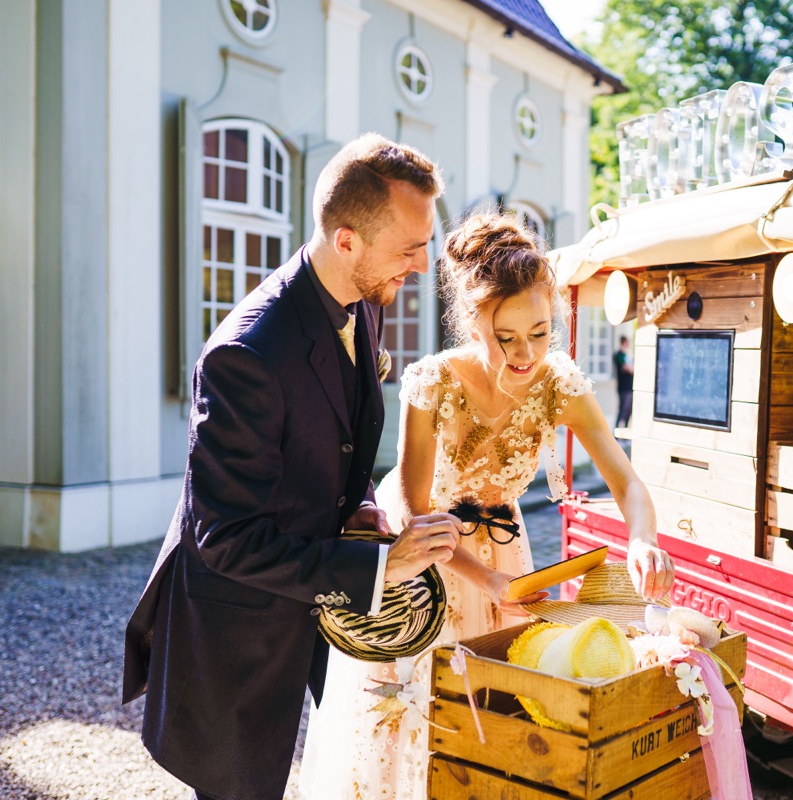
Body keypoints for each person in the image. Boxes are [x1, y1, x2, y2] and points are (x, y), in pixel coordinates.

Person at [121, 134, 465, 800]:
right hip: (236, 637)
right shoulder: (245, 355)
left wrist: (364, 507)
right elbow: (222, 538)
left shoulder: (362, 302)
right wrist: (379, 569)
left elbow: (336, 439)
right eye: (409, 249)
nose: (421, 266)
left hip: (311, 610)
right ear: (346, 241)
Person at [299, 211, 675, 799]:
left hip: (507, 555)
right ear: (474, 324)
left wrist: (643, 539)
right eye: (507, 338)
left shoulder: (562, 384)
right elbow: (409, 509)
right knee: (414, 713)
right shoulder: (433, 382)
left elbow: (627, 483)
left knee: (499, 718)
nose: (527, 354)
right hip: (427, 565)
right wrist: (486, 581)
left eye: (542, 332)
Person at [614, 334, 635, 428]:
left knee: (628, 410)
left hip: (629, 386)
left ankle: (625, 431)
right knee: (622, 409)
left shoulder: (627, 355)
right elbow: (628, 368)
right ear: (624, 343)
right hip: (623, 388)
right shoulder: (619, 355)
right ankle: (616, 433)